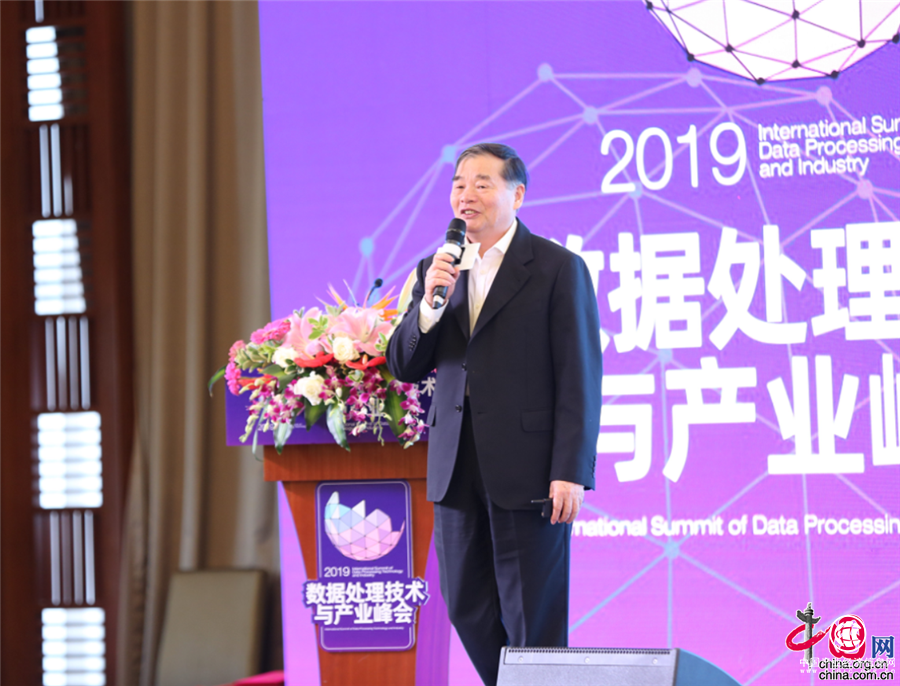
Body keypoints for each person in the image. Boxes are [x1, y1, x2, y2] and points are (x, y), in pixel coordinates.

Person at [386, 143, 602, 686]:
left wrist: (571, 470)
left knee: (533, 618)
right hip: (455, 468)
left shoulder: (556, 268)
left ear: (517, 195)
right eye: (459, 184)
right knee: (466, 606)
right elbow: (404, 365)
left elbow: (579, 377)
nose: (467, 194)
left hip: (529, 471)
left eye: (482, 183)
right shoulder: (435, 269)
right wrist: (430, 306)